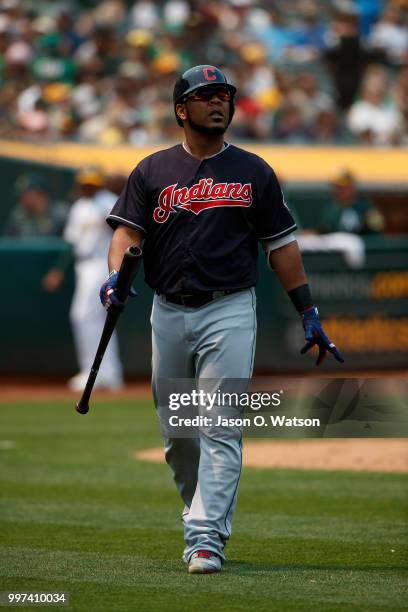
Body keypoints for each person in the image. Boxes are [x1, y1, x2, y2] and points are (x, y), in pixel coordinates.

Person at [100, 65, 344, 574]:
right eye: (205, 95)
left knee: (220, 426)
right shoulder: (151, 170)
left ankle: (206, 539)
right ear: (180, 109)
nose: (218, 103)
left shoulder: (254, 170)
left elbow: (282, 246)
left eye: (224, 96)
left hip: (229, 308)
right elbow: (126, 236)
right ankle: (198, 515)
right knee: (179, 436)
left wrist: (308, 309)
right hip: (167, 309)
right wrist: (113, 279)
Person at [43, 166, 123, 392]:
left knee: (83, 316)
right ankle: (108, 373)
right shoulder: (79, 206)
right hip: (83, 265)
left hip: (101, 263)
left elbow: (123, 231)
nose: (88, 187)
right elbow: (71, 241)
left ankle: (96, 372)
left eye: (92, 183)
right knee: (95, 319)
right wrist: (58, 269)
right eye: (84, 183)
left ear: (99, 184)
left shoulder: (108, 201)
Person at [320, 169, 384, 234]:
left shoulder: (365, 207)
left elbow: (376, 229)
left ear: (352, 188)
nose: (340, 191)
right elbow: (324, 230)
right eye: (338, 187)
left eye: (344, 188)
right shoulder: (330, 208)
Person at [3, 173, 68, 238]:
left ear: (39, 193)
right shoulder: (17, 214)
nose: (21, 198)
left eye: (25, 194)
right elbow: (8, 242)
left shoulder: (61, 212)